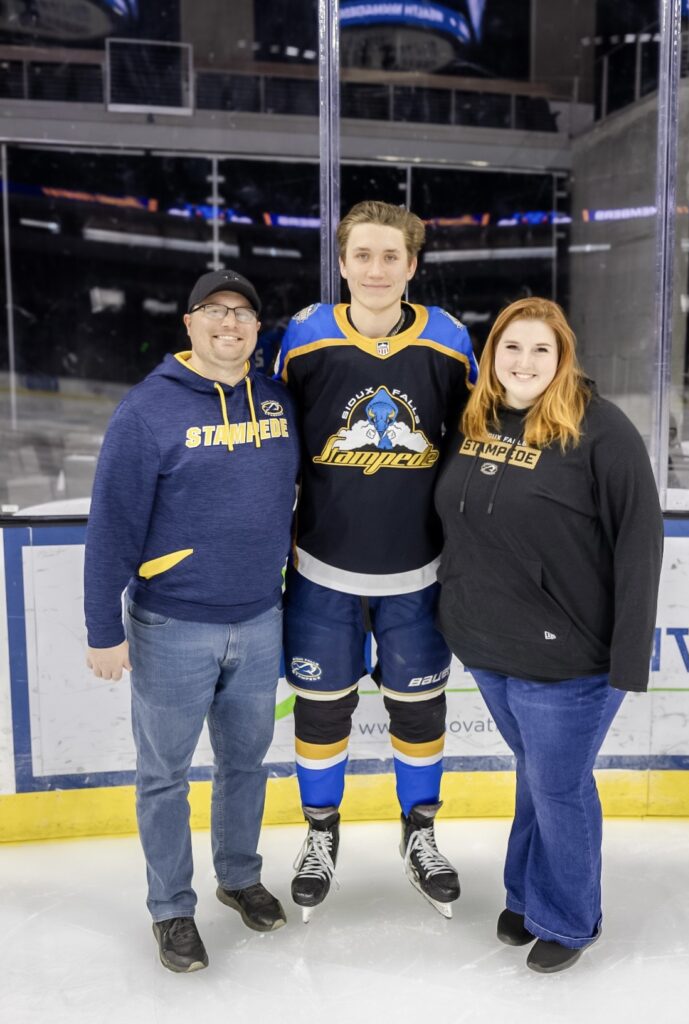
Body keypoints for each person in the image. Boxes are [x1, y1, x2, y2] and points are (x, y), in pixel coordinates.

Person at [434, 297, 662, 973]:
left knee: (559, 785)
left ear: (563, 358)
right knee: (534, 775)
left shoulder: (601, 430)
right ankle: (526, 894)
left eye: (542, 350)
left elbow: (639, 543)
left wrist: (629, 659)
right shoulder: (475, 420)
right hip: (490, 645)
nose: (525, 362)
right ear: (491, 355)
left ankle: (567, 916)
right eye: (512, 347)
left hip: (571, 656)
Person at [84, 269, 300, 973]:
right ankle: (172, 908)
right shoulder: (147, 411)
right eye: (215, 310)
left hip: (260, 618)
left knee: (245, 764)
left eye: (242, 313)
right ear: (190, 323)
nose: (229, 322)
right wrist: (101, 627)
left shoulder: (277, 400)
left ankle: (238, 877)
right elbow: (111, 525)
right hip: (171, 625)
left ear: (256, 330)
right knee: (164, 775)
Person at [275, 200, 478, 919]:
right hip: (322, 570)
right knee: (321, 710)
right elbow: (274, 436)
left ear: (413, 266)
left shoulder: (450, 340)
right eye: (362, 255)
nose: (376, 269)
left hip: (417, 573)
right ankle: (320, 834)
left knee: (418, 709)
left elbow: (474, 439)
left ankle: (419, 832)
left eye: (392, 256)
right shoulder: (302, 337)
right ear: (340, 262)